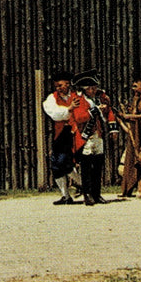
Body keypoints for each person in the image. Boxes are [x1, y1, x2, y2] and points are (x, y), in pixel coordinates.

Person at [42, 70, 89, 205]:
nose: (59, 88)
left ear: (68, 84)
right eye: (57, 86)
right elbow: (54, 114)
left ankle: (83, 185)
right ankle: (66, 195)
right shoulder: (52, 98)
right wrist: (69, 109)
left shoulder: (77, 96)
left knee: (65, 162)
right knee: (57, 163)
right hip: (61, 134)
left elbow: (83, 113)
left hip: (77, 133)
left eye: (62, 85)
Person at [117, 76, 141, 199]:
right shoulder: (137, 99)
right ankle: (140, 188)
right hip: (139, 132)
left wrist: (129, 116)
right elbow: (134, 114)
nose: (133, 88)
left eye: (136, 86)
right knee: (139, 159)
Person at [75, 74, 109, 206]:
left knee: (98, 165)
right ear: (85, 89)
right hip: (87, 136)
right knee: (86, 166)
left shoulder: (98, 100)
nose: (94, 90)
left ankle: (96, 194)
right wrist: (93, 111)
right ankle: (87, 194)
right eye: (91, 88)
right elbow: (79, 118)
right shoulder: (79, 100)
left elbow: (105, 116)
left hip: (97, 135)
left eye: (95, 87)